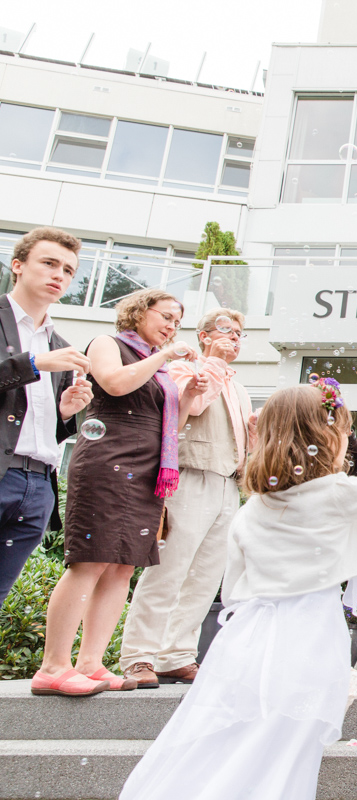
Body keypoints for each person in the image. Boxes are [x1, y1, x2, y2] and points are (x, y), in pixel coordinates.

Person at [118, 376, 357, 800]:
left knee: (230, 734)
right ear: (325, 440)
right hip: (308, 633)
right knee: (286, 743)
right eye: (341, 431)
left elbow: (232, 590)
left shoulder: (253, 509)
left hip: (244, 636)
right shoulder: (337, 493)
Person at [32, 289, 206, 697]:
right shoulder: (109, 344)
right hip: (108, 461)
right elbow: (112, 382)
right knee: (90, 561)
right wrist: (163, 356)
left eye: (176, 322)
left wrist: (191, 394)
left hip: (146, 470)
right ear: (139, 311)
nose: (171, 327)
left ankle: (91, 662)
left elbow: (169, 424)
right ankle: (53, 665)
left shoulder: (156, 367)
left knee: (122, 566)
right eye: (165, 317)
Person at [118, 308, 254, 689]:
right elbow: (184, 407)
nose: (235, 338)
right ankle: (139, 655)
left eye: (240, 334)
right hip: (190, 476)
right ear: (204, 335)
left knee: (205, 576)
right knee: (168, 569)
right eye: (227, 330)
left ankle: (176, 655)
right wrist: (213, 363)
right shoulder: (184, 368)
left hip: (228, 483)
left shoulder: (240, 388)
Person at [0, 228, 93, 606]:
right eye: (49, 263)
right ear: (18, 265)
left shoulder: (60, 345)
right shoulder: (47, 353)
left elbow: (34, 425)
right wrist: (34, 364)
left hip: (38, 486)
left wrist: (65, 412)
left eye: (68, 270)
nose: (60, 275)